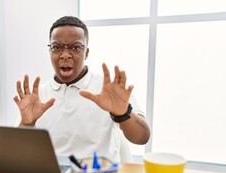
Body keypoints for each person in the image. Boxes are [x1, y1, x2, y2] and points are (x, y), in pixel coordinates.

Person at [13, 16, 150, 161]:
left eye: (75, 47)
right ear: (50, 51)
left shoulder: (109, 90)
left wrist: (122, 113)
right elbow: (17, 152)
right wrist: (27, 124)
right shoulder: (38, 95)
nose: (65, 55)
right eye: (57, 47)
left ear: (87, 52)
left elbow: (142, 137)